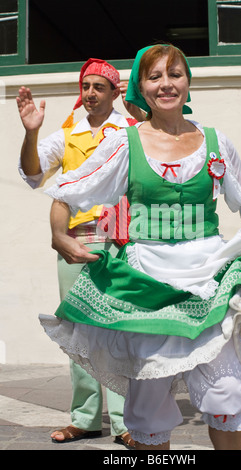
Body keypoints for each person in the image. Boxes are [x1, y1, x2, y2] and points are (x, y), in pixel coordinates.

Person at [39, 44, 241, 451]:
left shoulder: (215, 141)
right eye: (155, 76)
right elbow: (70, 192)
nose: (166, 84)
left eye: (175, 74)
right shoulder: (124, 143)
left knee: (228, 394)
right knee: (148, 405)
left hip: (208, 274)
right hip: (148, 280)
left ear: (188, 82)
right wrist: (60, 235)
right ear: (141, 88)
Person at [17, 58, 144, 448]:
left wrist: (138, 114)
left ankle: (125, 423)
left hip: (119, 240)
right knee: (78, 331)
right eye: (85, 86)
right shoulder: (68, 131)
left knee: (118, 329)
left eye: (99, 87)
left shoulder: (128, 130)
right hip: (75, 241)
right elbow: (34, 173)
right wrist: (32, 134)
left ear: (114, 92)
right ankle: (85, 418)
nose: (90, 93)